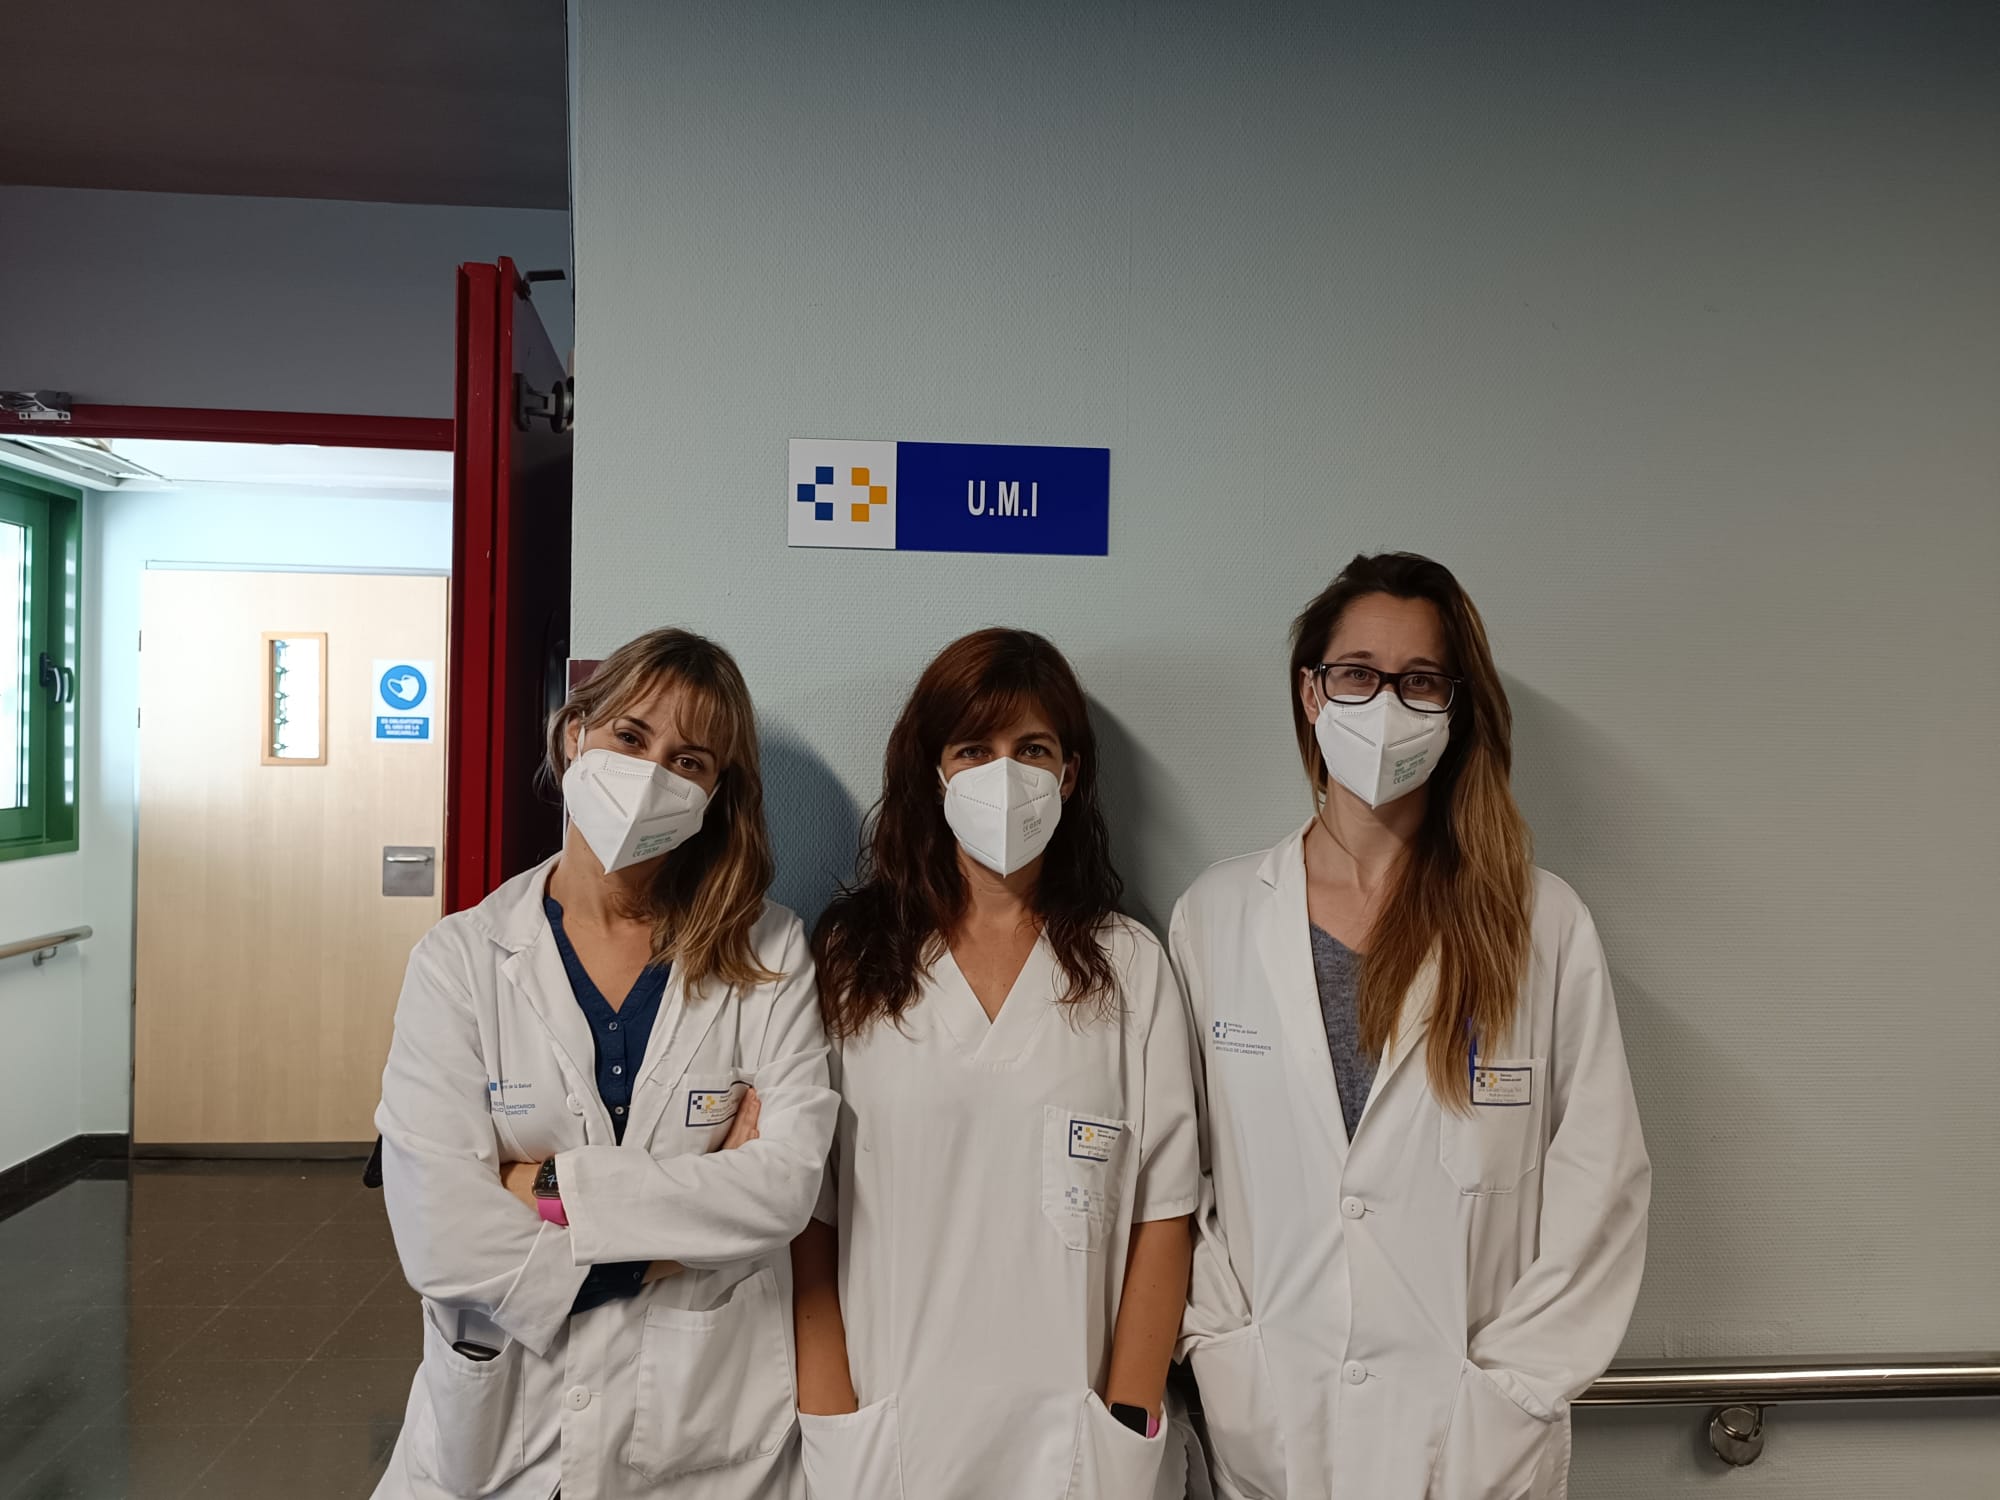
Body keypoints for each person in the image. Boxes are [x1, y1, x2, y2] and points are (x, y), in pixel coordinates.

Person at [1172, 553, 1650, 1500]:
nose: (1386, 704)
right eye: (1357, 674)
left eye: (1419, 681)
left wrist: (1509, 1393)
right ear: (1311, 693)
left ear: (1455, 707)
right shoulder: (1217, 917)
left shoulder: (1541, 924)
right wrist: (1226, 1352)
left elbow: (1602, 1187)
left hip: (1472, 1444)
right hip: (1274, 1424)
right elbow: (1181, 1180)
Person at [373, 628, 837, 1500]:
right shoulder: (461, 960)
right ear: (574, 734)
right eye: (631, 736)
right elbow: (442, 1239)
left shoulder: (771, 950)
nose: (652, 774)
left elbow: (783, 1191)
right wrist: (672, 1248)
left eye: (689, 761)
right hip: (503, 1437)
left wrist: (541, 1186)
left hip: (703, 1439)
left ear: (714, 794)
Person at [790, 628, 1201, 1500]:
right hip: (892, 1445)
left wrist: (1126, 1423)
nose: (1005, 775)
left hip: (1077, 1453)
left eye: (1033, 750)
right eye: (974, 749)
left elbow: (1164, 1219)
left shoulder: (1129, 966)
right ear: (934, 771)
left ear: (1071, 774)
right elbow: (808, 1218)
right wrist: (832, 1417)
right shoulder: (852, 962)